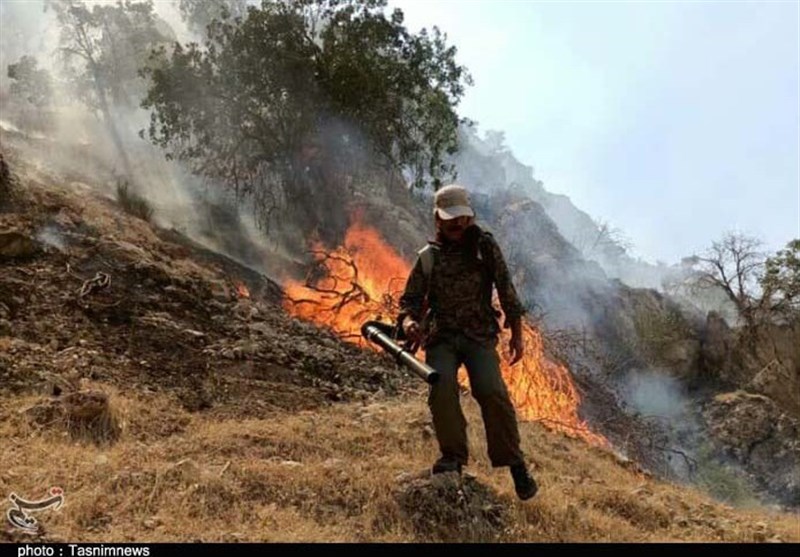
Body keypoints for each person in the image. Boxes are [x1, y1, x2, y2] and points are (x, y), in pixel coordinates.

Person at [398, 184, 538, 500]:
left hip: (478, 334)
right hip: (442, 337)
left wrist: (516, 331)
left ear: (469, 216)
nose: (458, 225)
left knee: (491, 391)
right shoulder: (428, 258)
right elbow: (410, 301)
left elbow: (505, 287)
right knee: (441, 389)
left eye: (462, 218)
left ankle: (515, 464)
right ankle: (453, 458)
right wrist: (408, 323)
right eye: (450, 220)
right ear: (438, 219)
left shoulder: (484, 246)